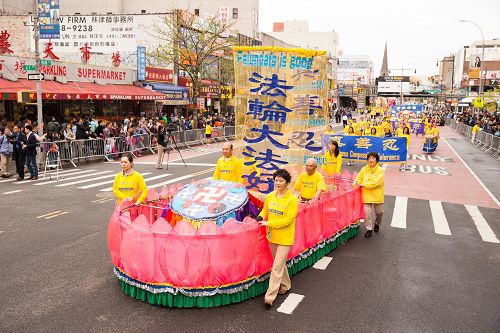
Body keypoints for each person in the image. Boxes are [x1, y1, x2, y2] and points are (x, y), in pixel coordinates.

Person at [256, 169, 298, 307]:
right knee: (279, 264)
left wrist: (270, 223)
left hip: (285, 238)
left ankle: (269, 297)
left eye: (281, 180)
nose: (278, 183)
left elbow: (289, 220)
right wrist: (261, 217)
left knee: (276, 267)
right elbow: (265, 210)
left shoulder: (292, 199)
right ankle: (286, 286)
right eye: (276, 180)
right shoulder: (270, 196)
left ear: (287, 182)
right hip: (272, 236)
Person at [354, 152, 385, 238]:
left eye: (373, 158)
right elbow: (358, 178)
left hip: (377, 195)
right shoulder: (364, 169)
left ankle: (377, 223)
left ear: (376, 159)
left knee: (379, 212)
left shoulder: (381, 170)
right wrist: (357, 184)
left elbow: (376, 183)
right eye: (369, 158)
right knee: (367, 213)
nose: (370, 160)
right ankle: (369, 229)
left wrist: (364, 184)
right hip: (366, 195)